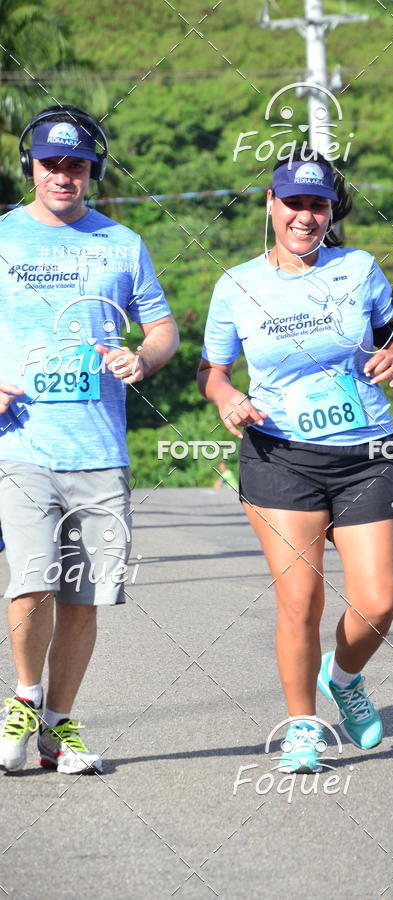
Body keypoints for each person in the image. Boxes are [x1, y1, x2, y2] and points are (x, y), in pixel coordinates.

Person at [198, 152, 393, 773]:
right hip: (279, 456)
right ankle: (302, 726)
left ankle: (343, 676)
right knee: (301, 603)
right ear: (270, 205)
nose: (305, 215)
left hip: (365, 451)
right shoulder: (236, 284)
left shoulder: (359, 268)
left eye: (317, 204)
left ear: (330, 212)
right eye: (293, 203)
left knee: (377, 602)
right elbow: (210, 372)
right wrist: (227, 397)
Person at [0, 105, 179, 774]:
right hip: (20, 445)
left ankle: (55, 726)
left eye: (75, 164)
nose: (62, 175)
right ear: (32, 168)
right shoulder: (4, 238)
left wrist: (145, 358)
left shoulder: (122, 243)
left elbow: (162, 328)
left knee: (83, 597)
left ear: (92, 171)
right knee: (33, 580)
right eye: (50, 163)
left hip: (100, 452)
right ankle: (23, 697)